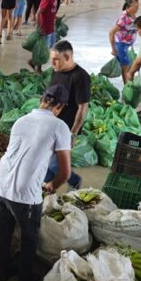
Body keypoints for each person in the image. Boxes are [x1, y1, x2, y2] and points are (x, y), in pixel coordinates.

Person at [0, 85, 72, 281]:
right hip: (24, 191)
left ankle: (4, 271)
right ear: (60, 106)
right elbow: (65, 173)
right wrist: (52, 185)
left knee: (4, 231)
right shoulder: (60, 127)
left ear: (41, 100)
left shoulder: (21, 120)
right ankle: (24, 280)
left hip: (0, 183)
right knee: (30, 237)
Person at [45, 40, 87, 188]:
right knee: (47, 162)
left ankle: (74, 181)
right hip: (52, 124)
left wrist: (73, 134)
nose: (53, 63)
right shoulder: (55, 72)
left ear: (68, 57)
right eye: (51, 60)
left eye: (56, 60)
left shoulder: (80, 76)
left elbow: (82, 108)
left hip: (66, 128)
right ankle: (45, 186)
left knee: (55, 163)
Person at [29, 0, 61, 73]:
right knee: (44, 51)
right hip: (44, 28)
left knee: (48, 49)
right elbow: (38, 13)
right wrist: (39, 27)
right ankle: (38, 68)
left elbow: (51, 11)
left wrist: (56, 17)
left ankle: (34, 62)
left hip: (51, 27)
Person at [108, 0, 138, 83]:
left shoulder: (132, 16)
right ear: (128, 7)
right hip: (121, 46)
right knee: (125, 68)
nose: (137, 9)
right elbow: (111, 33)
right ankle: (127, 86)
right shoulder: (123, 18)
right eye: (135, 6)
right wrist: (114, 49)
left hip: (126, 45)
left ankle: (127, 85)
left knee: (127, 66)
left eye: (137, 6)